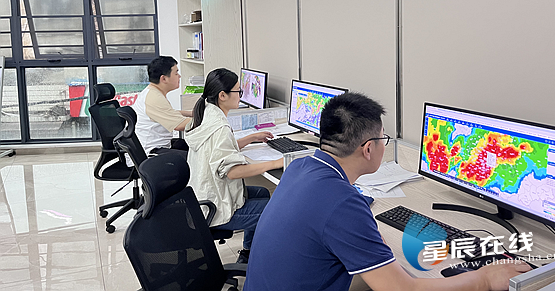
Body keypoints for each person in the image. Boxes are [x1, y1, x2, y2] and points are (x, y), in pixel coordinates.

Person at [244, 92, 531, 291]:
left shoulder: (301, 166)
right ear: (368, 149)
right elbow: (404, 289)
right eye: (384, 138)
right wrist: (484, 279)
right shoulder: (342, 203)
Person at [185, 68, 284, 264]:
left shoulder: (207, 112)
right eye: (239, 91)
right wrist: (275, 163)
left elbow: (218, 150)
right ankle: (268, 262)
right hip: (216, 208)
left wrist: (251, 138)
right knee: (279, 208)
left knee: (262, 192)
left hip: (203, 198)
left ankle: (248, 252)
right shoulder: (219, 126)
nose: (242, 96)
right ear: (222, 95)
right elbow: (233, 172)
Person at [132, 56, 192, 160]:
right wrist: (210, 120)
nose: (179, 76)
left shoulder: (152, 92)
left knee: (188, 145)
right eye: (176, 73)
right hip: (151, 153)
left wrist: (191, 113)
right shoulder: (154, 98)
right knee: (196, 159)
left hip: (157, 146)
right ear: (163, 78)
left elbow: (168, 113)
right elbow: (180, 125)